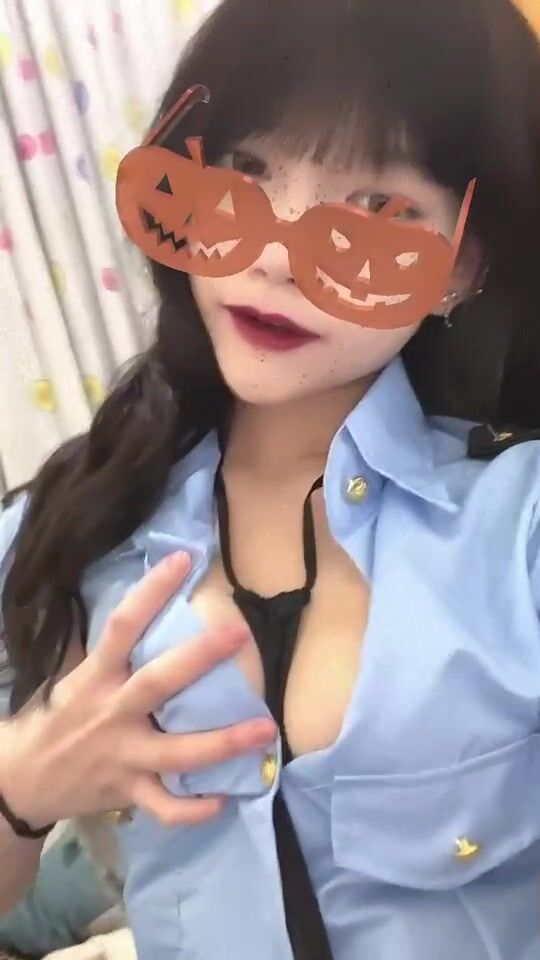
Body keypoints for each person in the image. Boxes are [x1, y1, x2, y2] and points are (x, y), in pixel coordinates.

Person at [1, 0, 540, 957]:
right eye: (243, 170)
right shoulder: (64, 524)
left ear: (464, 266)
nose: (275, 256)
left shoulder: (518, 526)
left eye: (375, 209)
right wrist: (21, 789)